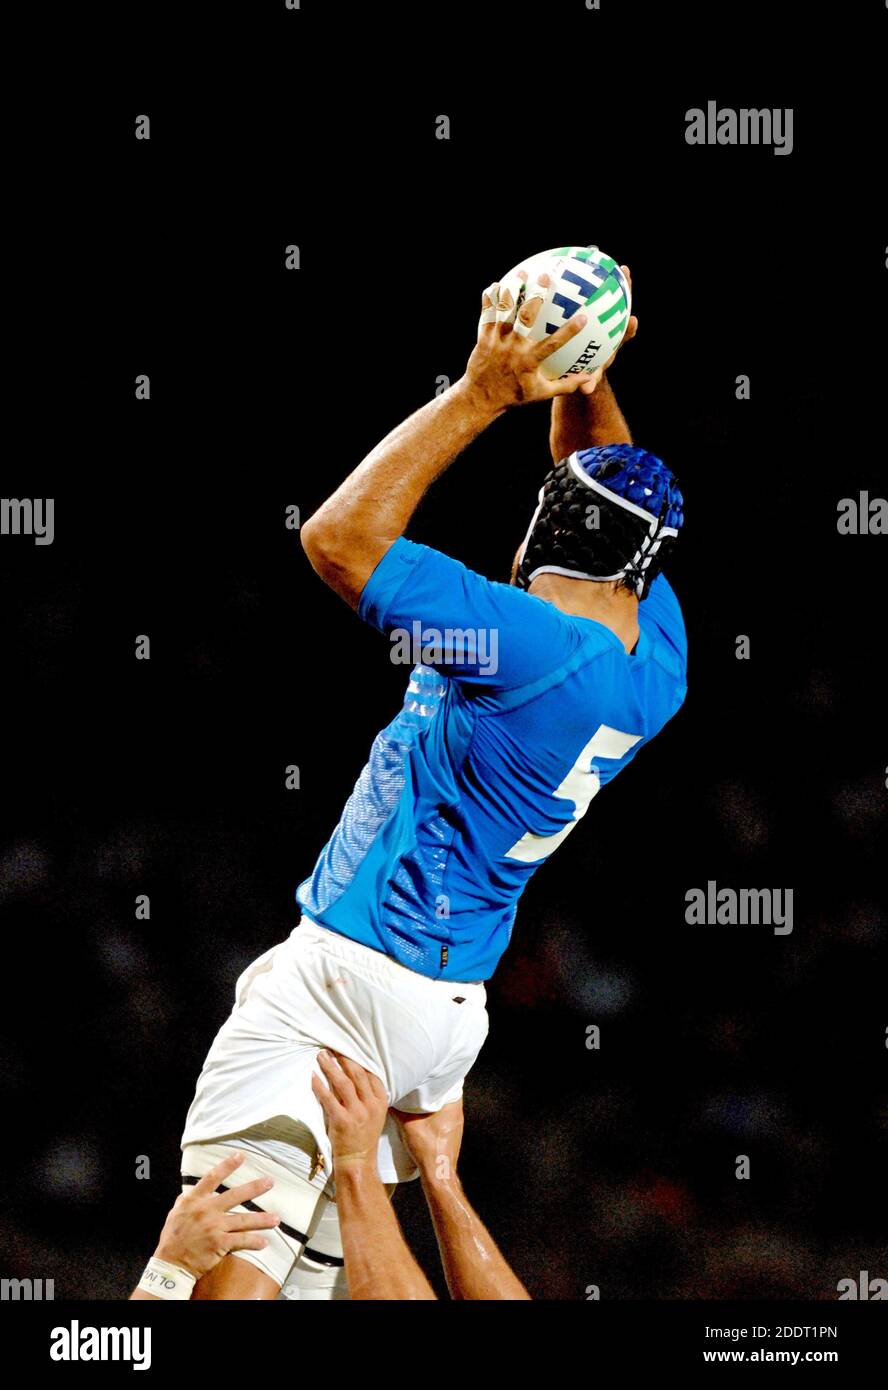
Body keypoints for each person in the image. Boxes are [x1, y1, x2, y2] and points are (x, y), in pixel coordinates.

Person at [164, 255, 687, 1299]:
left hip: (344, 981)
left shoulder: (515, 643)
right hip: (442, 1013)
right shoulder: (654, 657)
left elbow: (336, 539)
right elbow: (606, 478)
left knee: (212, 1273)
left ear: (552, 528)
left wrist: (485, 389)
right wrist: (583, 362)